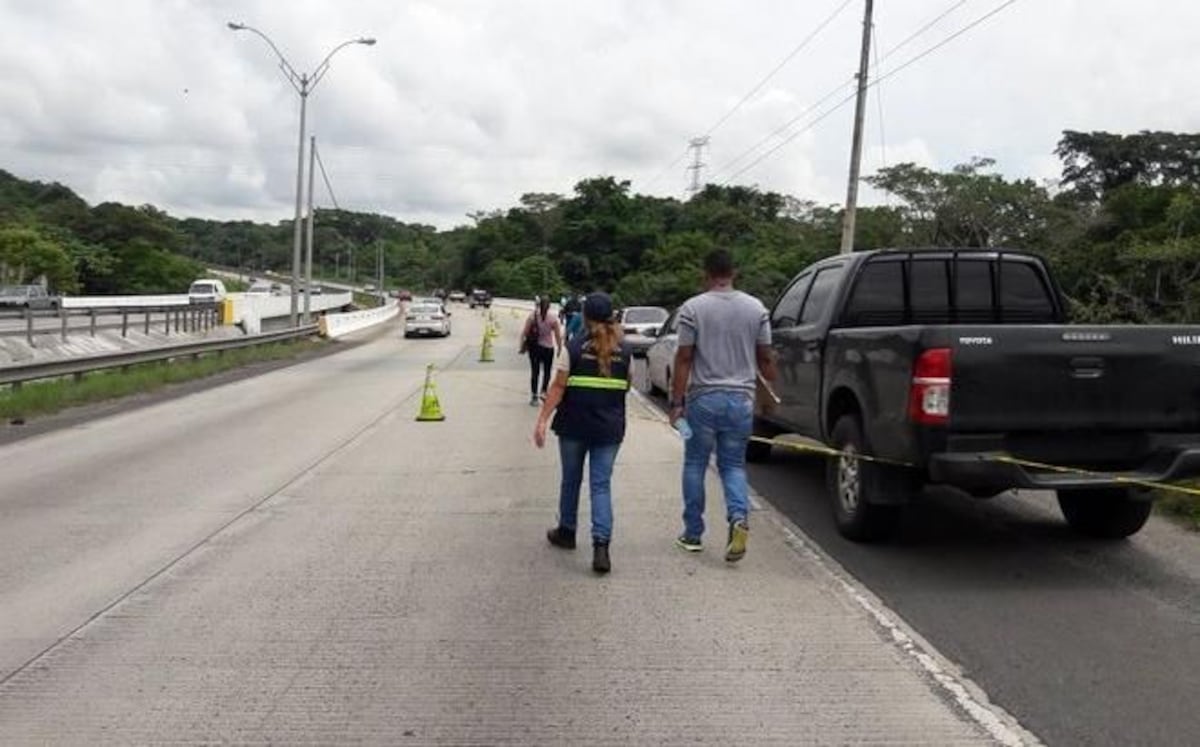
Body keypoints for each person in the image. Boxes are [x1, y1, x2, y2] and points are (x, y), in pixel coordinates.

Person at [669, 248, 777, 562]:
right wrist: (770, 396)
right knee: (733, 465)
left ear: (706, 274)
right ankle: (738, 518)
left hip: (703, 401)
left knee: (695, 464)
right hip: (741, 401)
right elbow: (766, 357)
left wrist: (677, 403)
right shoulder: (756, 308)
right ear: (734, 273)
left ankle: (692, 534)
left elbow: (684, 358)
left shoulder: (693, 308)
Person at [533, 293, 630, 574]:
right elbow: (625, 388)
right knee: (601, 485)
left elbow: (558, 387)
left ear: (585, 317)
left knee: (571, 480)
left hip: (574, 425)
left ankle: (567, 531)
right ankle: (601, 547)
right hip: (609, 428)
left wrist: (541, 420)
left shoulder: (574, 348)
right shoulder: (625, 351)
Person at [520, 296, 563, 405]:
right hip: (548, 348)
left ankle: (534, 396)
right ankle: (544, 391)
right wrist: (559, 348)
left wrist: (522, 346)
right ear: (549, 306)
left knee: (535, 372)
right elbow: (558, 336)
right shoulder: (553, 318)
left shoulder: (532, 316)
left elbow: (525, 333)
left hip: (534, 348)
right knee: (547, 372)